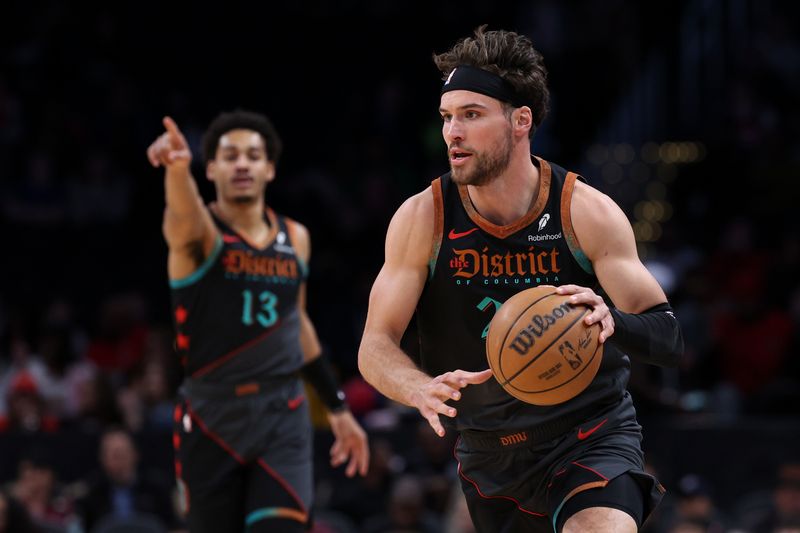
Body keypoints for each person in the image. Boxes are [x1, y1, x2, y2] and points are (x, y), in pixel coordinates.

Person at [357, 25, 683, 533]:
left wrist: (612, 320)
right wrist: (417, 387)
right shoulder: (424, 218)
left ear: (520, 121)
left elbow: (668, 335)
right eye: (447, 117)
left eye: (471, 115)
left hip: (590, 434)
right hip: (489, 451)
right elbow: (374, 345)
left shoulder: (585, 212)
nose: (452, 133)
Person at [146, 109, 369, 532]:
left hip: (281, 411)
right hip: (213, 415)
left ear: (270, 168)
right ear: (210, 168)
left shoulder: (295, 237)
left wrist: (337, 407)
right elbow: (183, 212)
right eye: (230, 156)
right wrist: (176, 171)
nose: (243, 164)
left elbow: (296, 323)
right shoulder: (199, 233)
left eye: (253, 155)